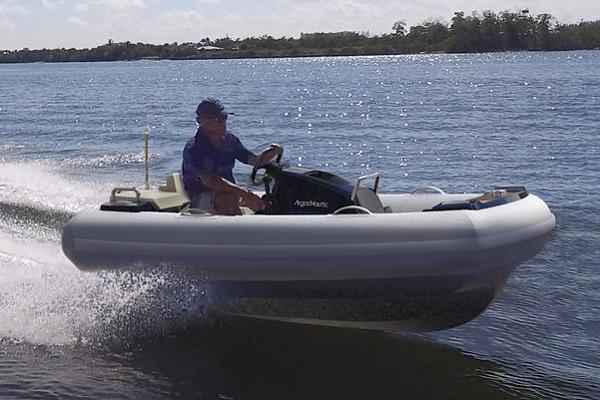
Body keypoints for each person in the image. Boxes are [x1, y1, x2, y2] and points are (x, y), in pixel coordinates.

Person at [182, 98, 281, 215]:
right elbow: (210, 180)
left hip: (228, 191)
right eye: (216, 119)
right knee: (227, 198)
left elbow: (252, 159)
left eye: (223, 118)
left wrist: (270, 153)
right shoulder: (194, 148)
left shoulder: (230, 140)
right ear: (200, 121)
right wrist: (244, 193)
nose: (222, 122)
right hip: (200, 196)